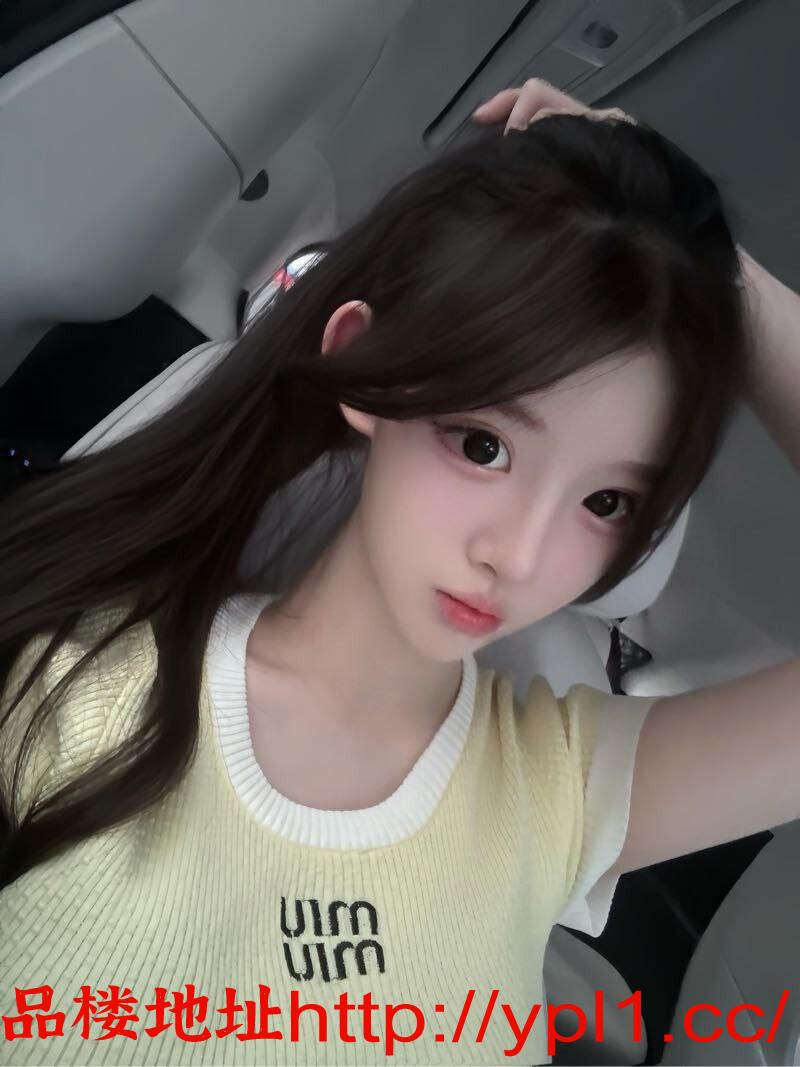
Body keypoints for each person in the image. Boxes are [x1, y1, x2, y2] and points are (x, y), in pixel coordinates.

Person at [0, 78, 797, 1066]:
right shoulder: (77, 689)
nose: (517, 554)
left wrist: (713, 268)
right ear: (366, 365)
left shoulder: (559, 792)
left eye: (605, 503)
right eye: (484, 445)